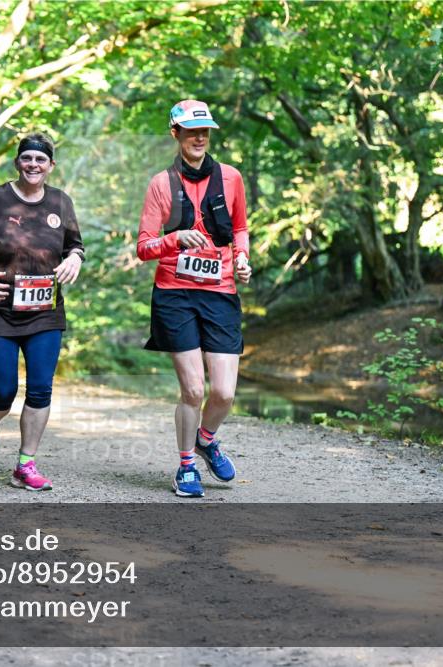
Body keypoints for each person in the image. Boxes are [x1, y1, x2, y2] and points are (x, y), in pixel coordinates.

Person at [0, 132, 84, 491]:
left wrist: (74, 259)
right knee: (3, 389)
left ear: (51, 166)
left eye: (41, 160)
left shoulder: (60, 202)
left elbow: (75, 246)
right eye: (27, 159)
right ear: (17, 163)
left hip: (45, 311)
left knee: (40, 389)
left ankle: (25, 464)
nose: (33, 165)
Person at [136, 100, 252, 498]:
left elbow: (240, 229)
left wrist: (243, 260)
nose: (200, 137)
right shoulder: (160, 184)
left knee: (224, 393)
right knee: (194, 390)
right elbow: (144, 247)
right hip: (175, 294)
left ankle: (206, 438)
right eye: (191, 131)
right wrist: (175, 238)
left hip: (220, 292)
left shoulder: (232, 178)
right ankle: (186, 466)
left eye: (205, 131)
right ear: (176, 134)